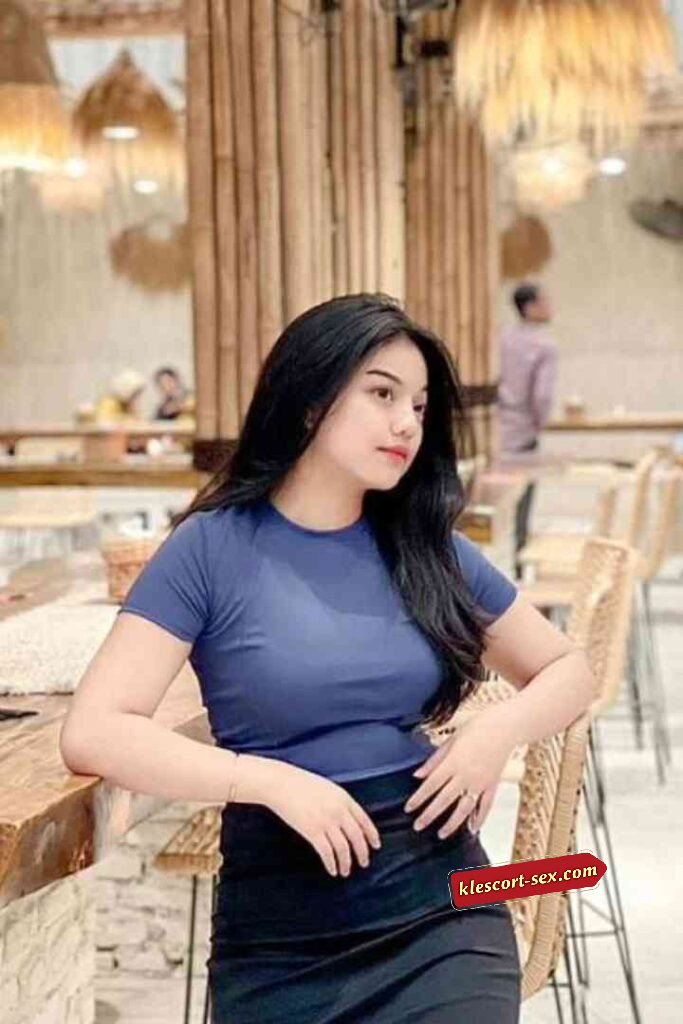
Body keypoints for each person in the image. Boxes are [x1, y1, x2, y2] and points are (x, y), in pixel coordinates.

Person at [60, 294, 594, 1024]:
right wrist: (265, 781)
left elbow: (569, 671)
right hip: (279, 929)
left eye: (418, 403)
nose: (407, 421)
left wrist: (493, 735)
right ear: (310, 401)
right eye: (381, 394)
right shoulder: (209, 550)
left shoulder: (427, 547)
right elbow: (94, 731)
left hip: (440, 909)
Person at [497, 283, 559, 576]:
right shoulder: (544, 345)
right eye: (546, 300)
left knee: (492, 503)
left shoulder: (502, 338)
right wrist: (539, 421)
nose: (551, 306)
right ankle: (519, 570)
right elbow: (542, 396)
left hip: (495, 427)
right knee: (523, 503)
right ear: (531, 306)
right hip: (522, 431)